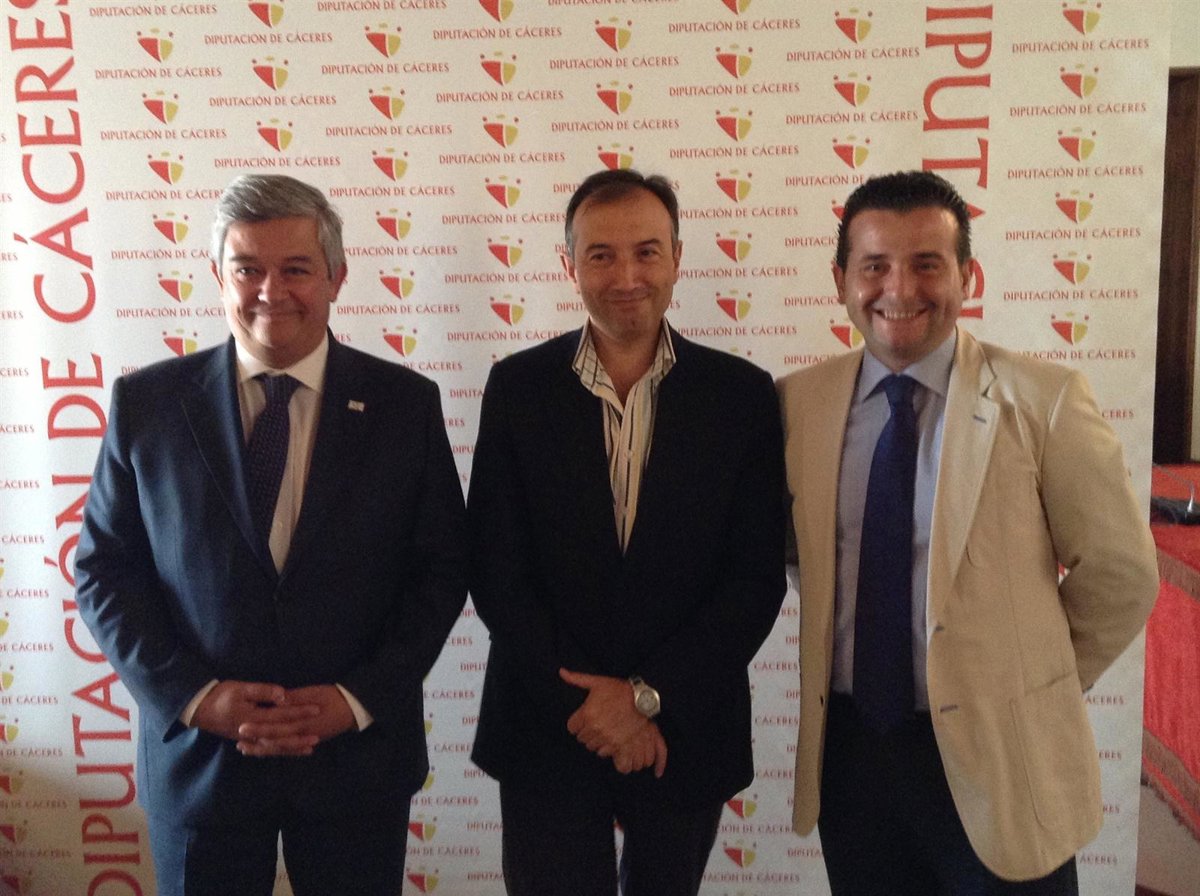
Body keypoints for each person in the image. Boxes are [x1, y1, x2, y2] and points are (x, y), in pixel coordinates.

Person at [74, 174, 467, 896]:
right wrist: (195, 698)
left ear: (337, 276)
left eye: (296, 269)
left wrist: (356, 697)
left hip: (355, 764)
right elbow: (105, 571)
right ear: (216, 275)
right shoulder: (147, 405)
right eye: (247, 268)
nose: (269, 291)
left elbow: (440, 570)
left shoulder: (405, 406)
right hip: (201, 762)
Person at [778, 169, 1159, 894]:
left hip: (1004, 759)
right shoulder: (799, 404)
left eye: (927, 264)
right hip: (855, 757)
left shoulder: (1044, 400)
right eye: (874, 265)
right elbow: (804, 558)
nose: (900, 288)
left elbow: (1121, 573)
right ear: (841, 281)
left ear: (967, 277)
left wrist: (1028, 687)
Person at [467, 168, 786, 895]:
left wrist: (644, 698)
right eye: (601, 255)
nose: (627, 276)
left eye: (647, 252)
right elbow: (497, 571)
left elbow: (752, 581)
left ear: (678, 258)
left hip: (685, 727)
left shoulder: (741, 397)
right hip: (548, 724)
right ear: (569, 265)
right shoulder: (517, 388)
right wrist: (595, 708)